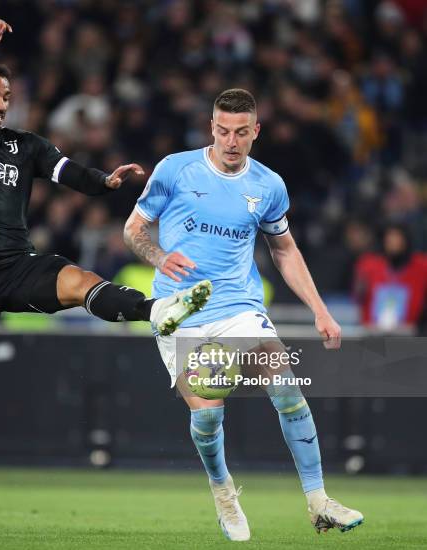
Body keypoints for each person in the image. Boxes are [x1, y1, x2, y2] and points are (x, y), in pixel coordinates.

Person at [0, 19, 212, 515]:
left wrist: (105, 183)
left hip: (16, 266)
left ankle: (158, 310)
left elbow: (66, 170)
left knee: (78, 281)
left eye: (6, 95)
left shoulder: (23, 145)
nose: (1, 103)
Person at [123, 88, 363, 541]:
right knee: (209, 415)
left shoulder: (268, 185)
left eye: (240, 132)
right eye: (222, 131)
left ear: (256, 132)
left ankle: (318, 501)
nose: (230, 141)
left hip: (239, 307)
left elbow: (284, 250)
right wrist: (159, 257)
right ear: (211, 128)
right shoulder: (175, 169)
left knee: (286, 387)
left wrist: (320, 310)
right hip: (180, 311)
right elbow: (134, 230)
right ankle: (223, 491)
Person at [354, 222, 427, 331]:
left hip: (412, 332)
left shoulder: (421, 266)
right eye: (390, 238)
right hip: (373, 332)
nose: (393, 243)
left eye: (397, 238)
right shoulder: (369, 265)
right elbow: (358, 298)